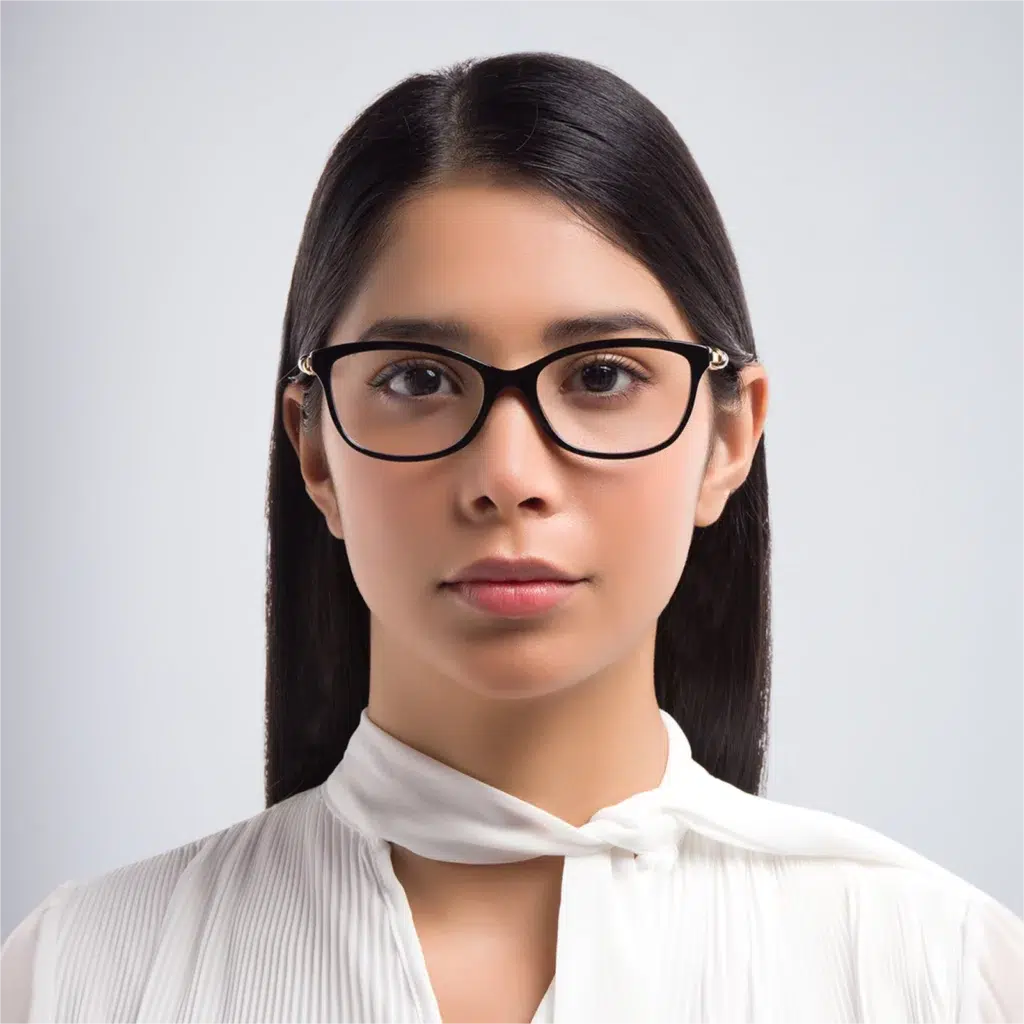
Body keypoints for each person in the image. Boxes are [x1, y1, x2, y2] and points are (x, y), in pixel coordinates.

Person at [1, 50, 1021, 1024]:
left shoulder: (936, 971)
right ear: (315, 454)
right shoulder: (79, 977)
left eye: (601, 375)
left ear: (726, 439)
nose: (507, 479)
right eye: (417, 378)